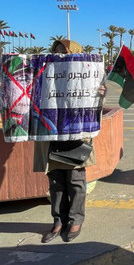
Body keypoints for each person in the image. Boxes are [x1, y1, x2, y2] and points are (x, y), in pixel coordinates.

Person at [38, 40, 106, 243]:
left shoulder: (87, 72)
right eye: (57, 52)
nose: (59, 56)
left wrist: (101, 93)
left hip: (76, 134)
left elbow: (95, 100)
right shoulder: (45, 73)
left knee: (75, 180)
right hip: (52, 133)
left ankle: (76, 219)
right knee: (56, 180)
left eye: (64, 53)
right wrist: (1, 86)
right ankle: (59, 220)